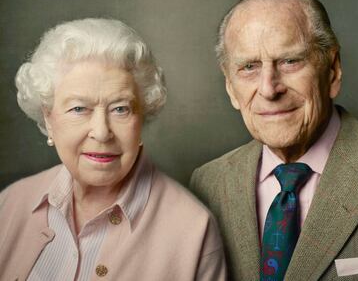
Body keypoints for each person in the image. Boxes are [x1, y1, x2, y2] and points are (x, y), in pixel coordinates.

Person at [190, 0, 358, 280]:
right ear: (230, 87)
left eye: (290, 61)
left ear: (332, 70)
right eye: (249, 67)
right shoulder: (206, 185)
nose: (269, 89)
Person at [0, 18, 226, 281]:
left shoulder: (194, 230)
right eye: (79, 109)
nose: (102, 132)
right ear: (49, 119)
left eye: (120, 109)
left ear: (142, 117)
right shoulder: (10, 204)